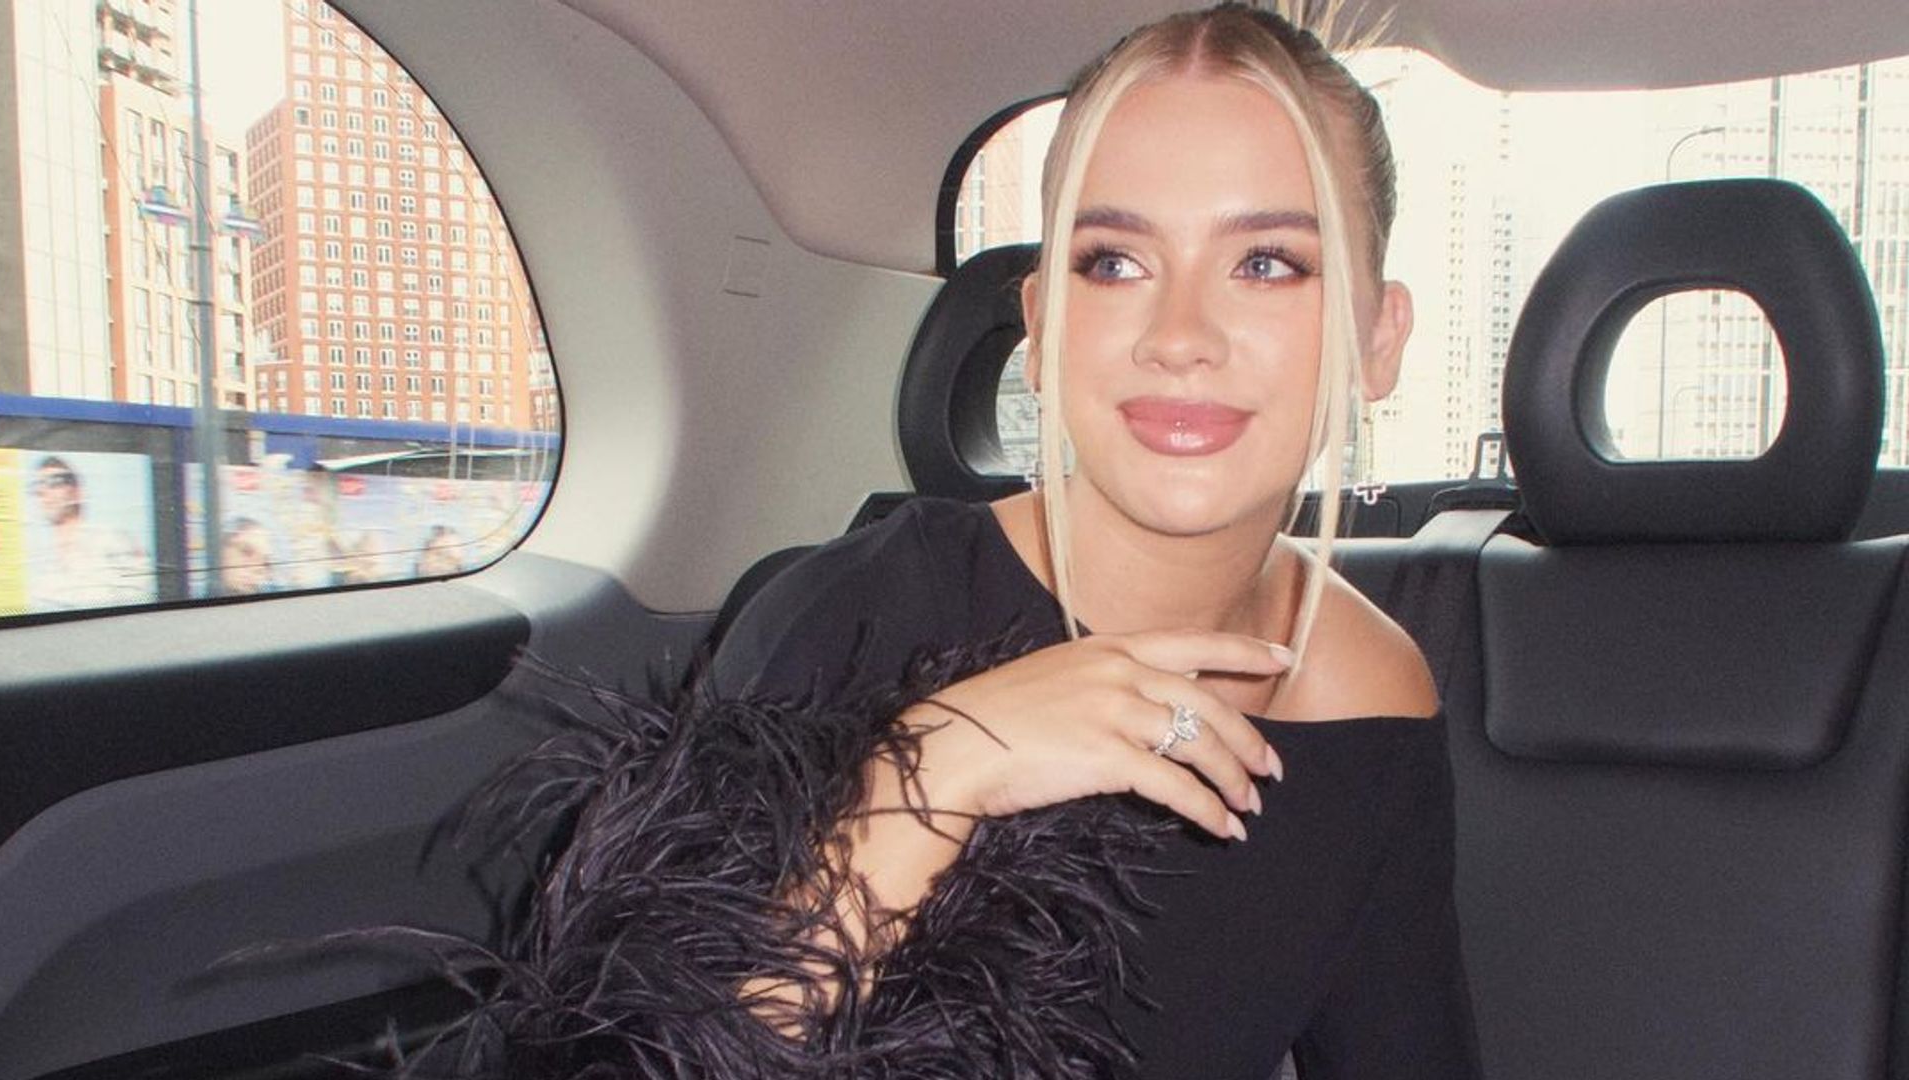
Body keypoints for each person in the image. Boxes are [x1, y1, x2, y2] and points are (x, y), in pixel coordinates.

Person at [445, 5, 1479, 1078]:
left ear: (1376, 339)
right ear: (1040, 326)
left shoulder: (1372, 698)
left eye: (1267, 263)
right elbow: (637, 1057)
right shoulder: (853, 616)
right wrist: (933, 773)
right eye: (1114, 262)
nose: (1180, 337)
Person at [26, 456, 154, 612]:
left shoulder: (111, 539)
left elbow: (146, 593)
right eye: (38, 485)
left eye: (55, 482)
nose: (43, 492)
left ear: (78, 493)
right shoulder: (42, 560)